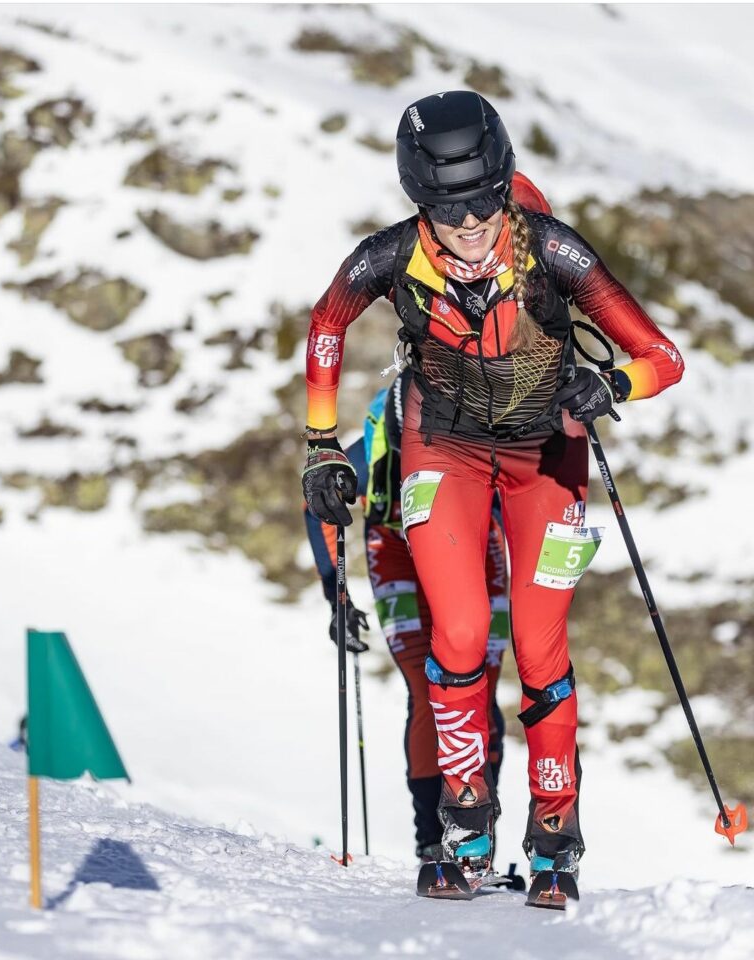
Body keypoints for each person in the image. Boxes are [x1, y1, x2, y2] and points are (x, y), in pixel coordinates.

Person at [301, 91, 684, 881]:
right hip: (442, 449)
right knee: (461, 632)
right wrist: (319, 441)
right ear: (420, 202)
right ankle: (464, 821)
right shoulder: (389, 255)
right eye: (449, 208)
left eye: (484, 201)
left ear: (505, 184)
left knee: (541, 648)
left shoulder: (549, 248)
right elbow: (328, 323)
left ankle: (555, 833)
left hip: (547, 455)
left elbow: (664, 356)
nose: (471, 222)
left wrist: (614, 382)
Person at [303, 368, 511, 861]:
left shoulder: (483, 433)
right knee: (426, 686)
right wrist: (338, 598)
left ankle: (479, 834)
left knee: (480, 685)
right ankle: (431, 839)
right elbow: (319, 508)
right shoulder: (373, 448)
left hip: (476, 543)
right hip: (396, 544)